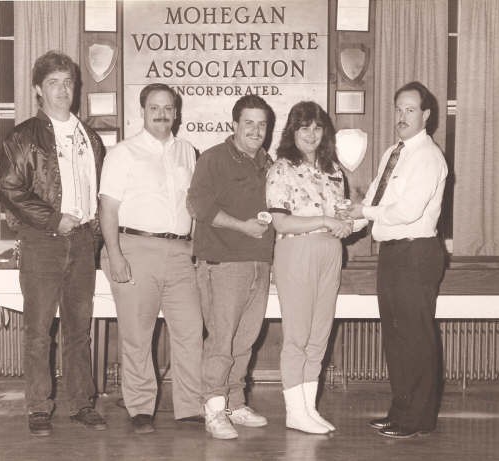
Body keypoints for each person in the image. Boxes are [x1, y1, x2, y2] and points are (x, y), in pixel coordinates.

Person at [0, 50, 106, 436]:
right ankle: (39, 406)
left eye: (68, 82)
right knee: (39, 329)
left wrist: (94, 236)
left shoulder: (90, 138)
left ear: (75, 89)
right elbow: (9, 188)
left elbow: (99, 194)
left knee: (79, 328)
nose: (62, 90)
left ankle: (81, 403)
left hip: (82, 243)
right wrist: (54, 219)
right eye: (53, 83)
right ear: (38, 90)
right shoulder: (23, 136)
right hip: (42, 241)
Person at [99, 83, 203, 434]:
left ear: (177, 112)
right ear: (142, 111)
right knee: (137, 334)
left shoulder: (187, 152)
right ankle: (140, 407)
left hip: (180, 253)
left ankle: (189, 407)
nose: (162, 114)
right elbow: (107, 209)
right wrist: (114, 255)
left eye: (168, 108)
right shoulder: (123, 153)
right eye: (155, 108)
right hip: (134, 248)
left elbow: (194, 207)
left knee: (190, 331)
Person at [346, 81, 448, 438]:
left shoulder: (428, 157)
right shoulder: (393, 151)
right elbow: (375, 198)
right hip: (392, 254)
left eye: (410, 110)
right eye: (398, 109)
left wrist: (363, 210)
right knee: (395, 336)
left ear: (426, 115)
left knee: (415, 337)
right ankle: (401, 410)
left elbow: (406, 211)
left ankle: (418, 419)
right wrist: (347, 222)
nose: (402, 116)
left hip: (416, 254)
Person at [187, 94, 275, 440]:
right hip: (223, 264)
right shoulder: (214, 159)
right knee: (222, 341)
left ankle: (234, 404)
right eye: (249, 122)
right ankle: (212, 408)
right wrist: (243, 226)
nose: (256, 130)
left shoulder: (269, 164)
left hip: (259, 264)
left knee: (246, 341)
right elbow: (197, 205)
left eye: (262, 124)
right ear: (234, 125)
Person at [265, 101, 352, 434]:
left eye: (317, 127)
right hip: (296, 251)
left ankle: (308, 409)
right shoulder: (281, 168)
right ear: (293, 131)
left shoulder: (333, 170)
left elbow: (340, 216)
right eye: (304, 128)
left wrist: (346, 223)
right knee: (298, 336)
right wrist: (326, 220)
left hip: (330, 252)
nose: (312, 134)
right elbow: (281, 222)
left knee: (319, 335)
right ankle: (293, 412)